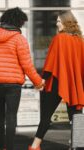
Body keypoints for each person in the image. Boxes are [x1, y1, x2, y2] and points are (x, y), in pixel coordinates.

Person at [0, 7, 45, 150]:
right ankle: (10, 148)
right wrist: (38, 82)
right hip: (13, 85)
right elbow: (27, 64)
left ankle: (1, 147)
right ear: (18, 22)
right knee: (11, 117)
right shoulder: (19, 39)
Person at [29, 11, 84, 150]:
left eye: (59, 21)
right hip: (73, 84)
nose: (57, 23)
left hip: (56, 81)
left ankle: (35, 146)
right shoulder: (80, 41)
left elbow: (50, 64)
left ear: (67, 22)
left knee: (46, 115)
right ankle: (76, 145)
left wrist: (42, 81)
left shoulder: (59, 38)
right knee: (76, 117)